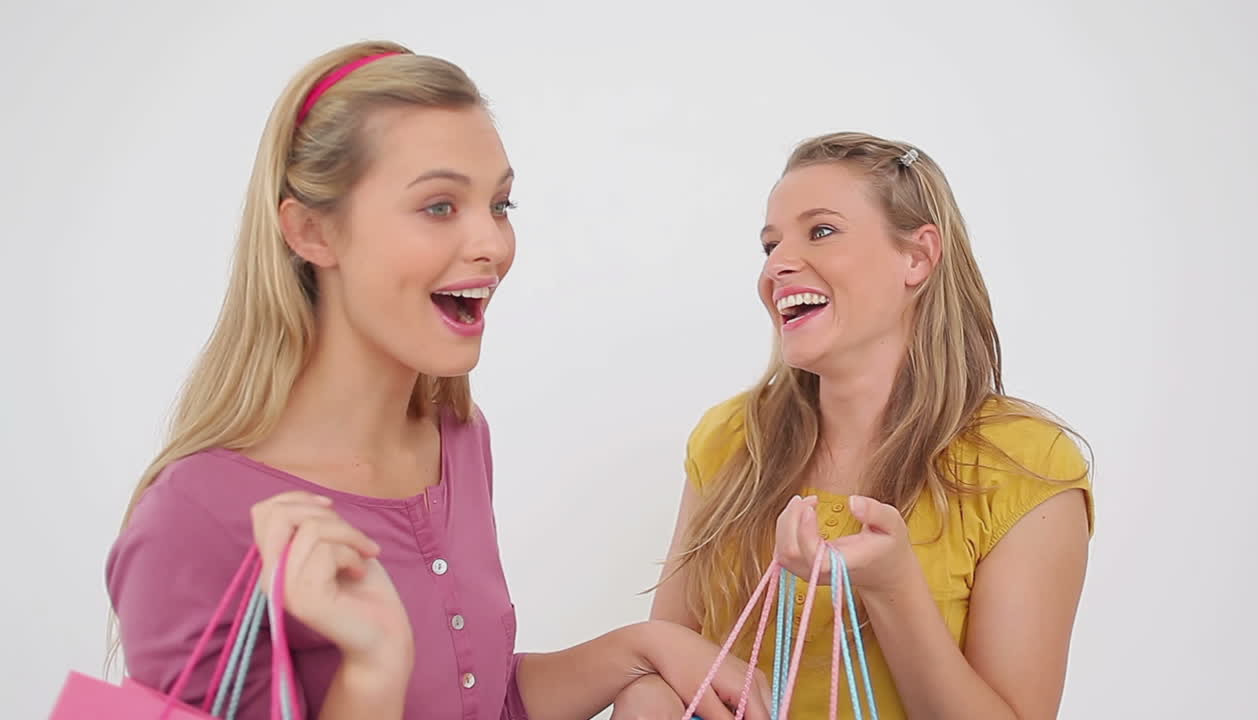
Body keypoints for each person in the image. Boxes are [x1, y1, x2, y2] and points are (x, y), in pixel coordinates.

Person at [106, 41, 768, 720]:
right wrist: (370, 676)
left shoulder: (456, 439)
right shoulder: (194, 516)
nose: (493, 244)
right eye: (440, 206)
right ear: (311, 232)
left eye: (501, 205)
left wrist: (644, 647)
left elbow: (479, 702)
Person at [614, 132, 1093, 719]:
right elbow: (669, 663)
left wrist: (893, 589)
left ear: (917, 257)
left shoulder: (1025, 464)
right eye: (769, 245)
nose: (778, 265)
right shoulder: (732, 439)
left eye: (821, 231)